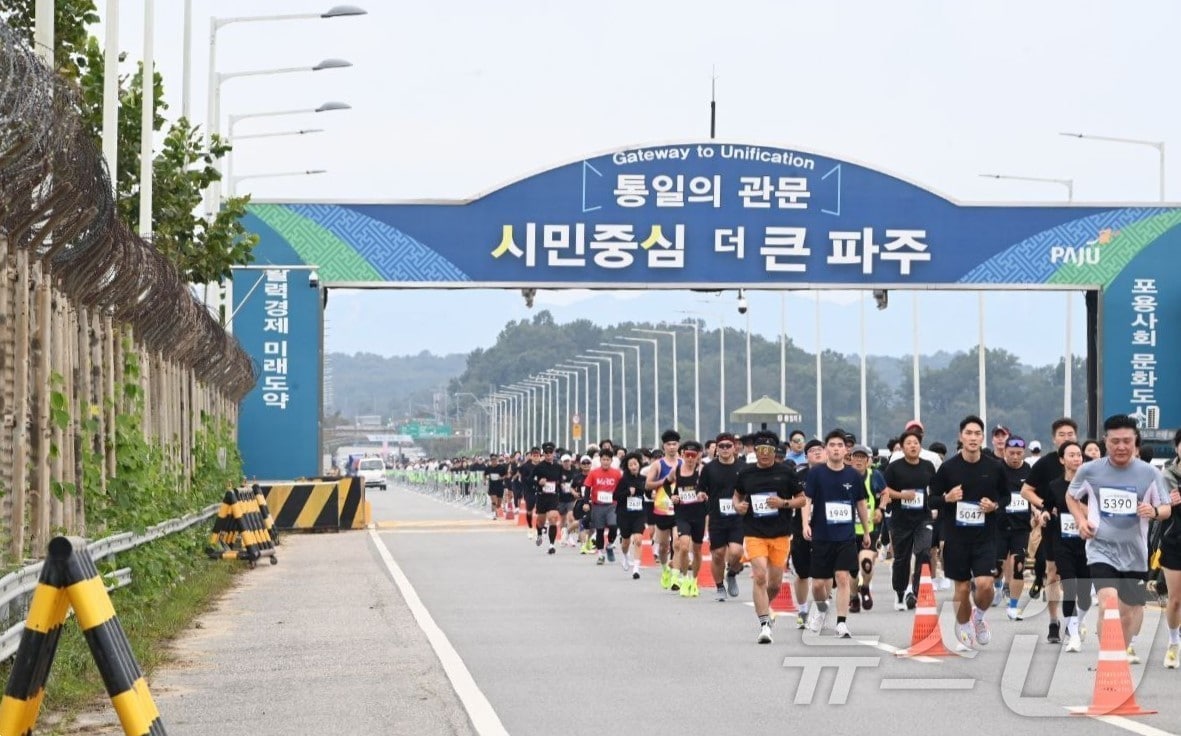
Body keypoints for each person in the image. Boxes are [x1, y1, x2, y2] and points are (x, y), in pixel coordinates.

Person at [1066, 414, 1170, 665]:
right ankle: (1108, 660)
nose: (1121, 447)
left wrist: (1153, 512)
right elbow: (1071, 497)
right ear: (1105, 441)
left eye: (1126, 441)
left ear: (1135, 441)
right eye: (1115, 441)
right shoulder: (1090, 470)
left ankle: (1118, 657)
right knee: (1107, 604)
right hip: (1101, 548)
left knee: (1129, 614)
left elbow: (1166, 508)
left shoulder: (1150, 473)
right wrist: (1081, 521)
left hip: (1135, 553)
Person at [929, 415, 1008, 650]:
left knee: (985, 585)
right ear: (960, 437)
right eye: (968, 433)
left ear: (982, 438)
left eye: (977, 434)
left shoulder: (994, 467)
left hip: (985, 537)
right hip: (956, 537)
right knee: (962, 589)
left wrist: (994, 506)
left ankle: (979, 618)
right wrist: (946, 498)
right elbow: (931, 500)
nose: (973, 438)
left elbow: (1006, 496)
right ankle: (963, 625)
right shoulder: (948, 468)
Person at [734, 430, 804, 644]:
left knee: (774, 583)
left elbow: (801, 500)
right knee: (760, 575)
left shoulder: (786, 472)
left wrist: (783, 503)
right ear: (755, 451)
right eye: (760, 450)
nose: (764, 454)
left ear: (775, 452)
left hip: (780, 533)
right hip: (754, 532)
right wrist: (739, 506)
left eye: (769, 450)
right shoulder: (746, 473)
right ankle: (764, 623)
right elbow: (737, 496)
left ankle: (766, 607)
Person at [802, 431, 872, 638]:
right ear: (826, 449)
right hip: (822, 535)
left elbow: (860, 504)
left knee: (842, 577)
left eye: (840, 445)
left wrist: (866, 531)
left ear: (845, 450)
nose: (835, 448)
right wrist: (805, 523)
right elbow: (807, 501)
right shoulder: (816, 473)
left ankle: (841, 623)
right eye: (831, 445)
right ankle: (822, 609)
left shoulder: (853, 475)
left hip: (846, 535)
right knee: (818, 585)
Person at [1019, 417, 1079, 644]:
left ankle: (1074, 621)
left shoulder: (1086, 462)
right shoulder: (1045, 464)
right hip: (1054, 527)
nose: (1066, 438)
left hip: (1082, 527)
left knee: (1077, 577)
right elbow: (1026, 491)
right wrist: (1045, 506)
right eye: (1062, 434)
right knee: (1053, 573)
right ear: (1054, 439)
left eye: (1070, 434)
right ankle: (1054, 621)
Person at [1039, 441, 1091, 652]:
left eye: (1079, 455)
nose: (1076, 459)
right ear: (1062, 460)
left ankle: (1078, 622)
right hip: (1062, 543)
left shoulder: (1090, 485)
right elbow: (1047, 506)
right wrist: (1043, 514)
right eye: (1071, 455)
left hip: (1087, 543)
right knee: (1069, 586)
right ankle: (1073, 633)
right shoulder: (1055, 485)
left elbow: (1097, 509)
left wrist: (1080, 509)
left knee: (1085, 594)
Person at [882, 429, 937, 610]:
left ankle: (915, 590)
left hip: (923, 518)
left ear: (920, 446)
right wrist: (902, 495)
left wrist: (935, 505)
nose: (913, 446)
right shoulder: (894, 467)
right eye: (909, 443)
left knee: (923, 552)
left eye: (916, 443)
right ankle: (900, 592)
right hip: (901, 520)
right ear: (902, 447)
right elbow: (884, 490)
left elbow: (935, 489)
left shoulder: (928, 466)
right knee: (901, 559)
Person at [701, 432, 746, 601]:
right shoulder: (709, 468)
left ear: (735, 448)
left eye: (728, 446)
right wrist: (701, 495)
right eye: (722, 446)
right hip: (717, 517)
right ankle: (719, 586)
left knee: (736, 551)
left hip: (738, 517)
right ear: (717, 449)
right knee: (718, 554)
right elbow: (701, 488)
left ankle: (732, 573)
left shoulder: (743, 467)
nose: (725, 449)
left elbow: (750, 489)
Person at [790, 439, 826, 627]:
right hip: (800, 528)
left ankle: (821, 608)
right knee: (803, 573)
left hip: (827, 528)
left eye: (820, 450)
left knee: (825, 573)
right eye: (812, 451)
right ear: (806, 456)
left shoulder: (835, 473)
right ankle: (803, 609)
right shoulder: (798, 475)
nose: (817, 453)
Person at [996, 436, 1031, 619]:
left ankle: (1013, 606)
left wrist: (1038, 512)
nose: (1015, 457)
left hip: (1021, 527)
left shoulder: (1029, 470)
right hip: (999, 526)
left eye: (1019, 453)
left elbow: (1034, 494)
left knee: (1018, 565)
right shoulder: (997, 469)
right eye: (1011, 453)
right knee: (997, 568)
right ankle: (997, 585)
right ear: (1004, 452)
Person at [848, 445, 884, 614]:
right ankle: (854, 597)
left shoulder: (874, 476)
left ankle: (866, 587)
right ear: (850, 459)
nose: (859, 460)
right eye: (856, 457)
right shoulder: (844, 476)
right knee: (852, 570)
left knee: (866, 564)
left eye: (863, 457)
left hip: (869, 529)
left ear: (868, 460)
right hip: (847, 530)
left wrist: (880, 509)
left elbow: (885, 493)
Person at [669, 440, 708, 598]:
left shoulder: (703, 470)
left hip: (699, 514)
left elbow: (712, 487)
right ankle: (685, 579)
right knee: (684, 547)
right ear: (682, 455)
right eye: (687, 455)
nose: (690, 458)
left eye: (693, 455)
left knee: (697, 550)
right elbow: (665, 484)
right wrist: (673, 496)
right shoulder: (677, 469)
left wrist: (705, 494)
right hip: (682, 514)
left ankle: (694, 580)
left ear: (698, 456)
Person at [645, 430, 682, 590]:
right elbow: (648, 484)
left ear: (678, 445)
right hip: (662, 509)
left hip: (680, 509)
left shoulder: (683, 463)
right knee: (663, 546)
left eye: (674, 444)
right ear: (664, 446)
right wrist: (664, 481)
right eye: (669, 444)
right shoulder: (658, 464)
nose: (672, 447)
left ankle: (675, 577)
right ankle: (665, 568)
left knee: (678, 543)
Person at [1158, 428, 1181, 668]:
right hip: (1175, 541)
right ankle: (1173, 642)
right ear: (1177, 448)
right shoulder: (1167, 475)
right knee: (1175, 600)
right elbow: (1164, 507)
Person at [584, 450, 622, 564]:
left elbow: (621, 487)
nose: (605, 462)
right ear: (600, 460)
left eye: (608, 460)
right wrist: (586, 502)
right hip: (598, 505)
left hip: (612, 505)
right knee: (599, 531)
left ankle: (609, 545)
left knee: (613, 526)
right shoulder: (593, 472)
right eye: (603, 459)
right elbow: (587, 488)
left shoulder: (616, 473)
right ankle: (600, 554)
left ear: (611, 461)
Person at [615, 452, 648, 579]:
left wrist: (652, 494)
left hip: (639, 514)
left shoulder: (644, 479)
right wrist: (628, 492)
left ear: (639, 465)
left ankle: (636, 568)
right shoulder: (623, 480)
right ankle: (625, 555)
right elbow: (615, 496)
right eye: (631, 465)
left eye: (635, 464)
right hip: (624, 514)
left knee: (638, 540)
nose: (634, 467)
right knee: (625, 542)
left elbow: (649, 493)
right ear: (627, 467)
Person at [530, 443, 566, 554]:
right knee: (540, 521)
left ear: (554, 453)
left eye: (551, 452)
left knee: (553, 519)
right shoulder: (538, 467)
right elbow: (530, 480)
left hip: (553, 496)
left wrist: (562, 486)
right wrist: (538, 482)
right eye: (546, 453)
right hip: (542, 496)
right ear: (543, 454)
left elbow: (561, 481)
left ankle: (551, 545)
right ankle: (539, 533)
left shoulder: (558, 467)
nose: (549, 455)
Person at [484, 453, 509, 520]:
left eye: (495, 459)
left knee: (499, 503)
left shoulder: (501, 467)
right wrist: (485, 479)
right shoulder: (488, 468)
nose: (493, 461)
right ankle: (493, 514)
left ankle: (497, 510)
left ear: (497, 460)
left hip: (500, 486)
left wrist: (501, 478)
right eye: (492, 460)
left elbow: (507, 475)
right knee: (494, 500)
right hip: (492, 486)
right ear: (490, 460)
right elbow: (484, 475)